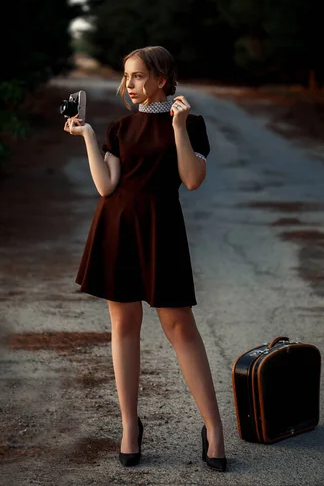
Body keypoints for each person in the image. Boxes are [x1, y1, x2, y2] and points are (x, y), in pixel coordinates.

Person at [64, 46, 226, 471]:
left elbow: (191, 180)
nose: (129, 86)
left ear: (162, 78)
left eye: (137, 77)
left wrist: (176, 126)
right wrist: (88, 138)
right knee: (123, 325)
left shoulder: (191, 123)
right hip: (116, 228)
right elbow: (106, 186)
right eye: (126, 77)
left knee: (179, 326)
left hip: (161, 231)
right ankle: (130, 425)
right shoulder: (118, 127)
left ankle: (214, 428)